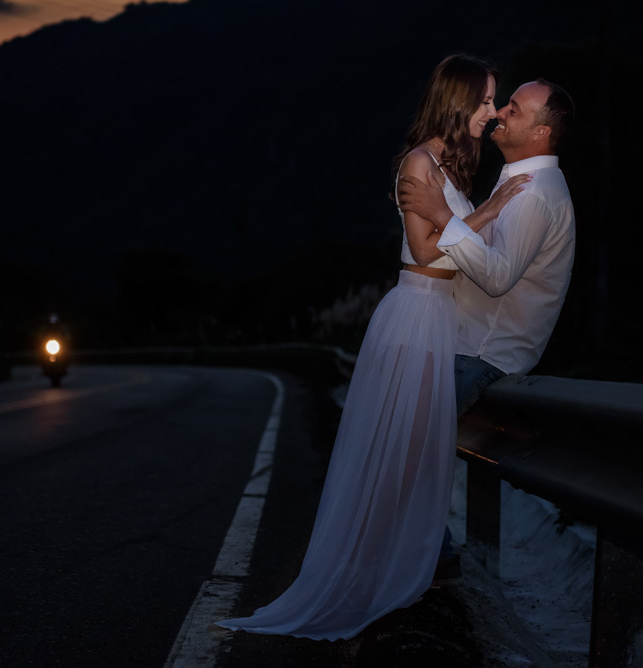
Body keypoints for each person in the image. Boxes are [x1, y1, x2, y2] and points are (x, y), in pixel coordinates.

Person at [215, 54, 530, 641]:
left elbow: (458, 245)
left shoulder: (451, 166)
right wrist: (491, 210)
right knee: (401, 452)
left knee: (415, 454)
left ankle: (398, 564)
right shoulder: (418, 162)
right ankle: (364, 571)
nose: (492, 112)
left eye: (495, 102)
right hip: (415, 314)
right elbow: (428, 251)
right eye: (486, 100)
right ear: (458, 100)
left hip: (441, 318)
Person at [397, 78, 577, 586]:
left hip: (484, 352)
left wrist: (440, 214)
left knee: (407, 447)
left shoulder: (536, 194)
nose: (499, 113)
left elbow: (497, 277)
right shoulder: (517, 182)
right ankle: (428, 559)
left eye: (514, 109)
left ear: (541, 133)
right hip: (463, 341)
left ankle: (430, 562)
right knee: (406, 446)